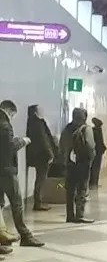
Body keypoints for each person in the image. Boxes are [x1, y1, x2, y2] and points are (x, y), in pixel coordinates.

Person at [0, 100, 43, 247]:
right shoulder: (4, 125)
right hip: (6, 171)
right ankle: (25, 236)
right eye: (13, 115)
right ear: (10, 111)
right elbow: (9, 147)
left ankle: (1, 239)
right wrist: (22, 141)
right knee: (17, 204)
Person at [59, 107, 94, 224]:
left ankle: (69, 215)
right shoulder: (86, 129)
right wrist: (91, 158)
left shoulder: (67, 129)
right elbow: (90, 146)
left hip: (69, 164)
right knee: (82, 189)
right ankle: (79, 214)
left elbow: (61, 146)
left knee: (70, 190)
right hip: (82, 163)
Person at [24, 104, 56, 211]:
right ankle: (38, 202)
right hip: (42, 156)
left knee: (40, 179)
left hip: (36, 155)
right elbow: (44, 140)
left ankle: (38, 201)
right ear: (35, 112)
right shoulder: (38, 123)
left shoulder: (31, 122)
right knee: (41, 179)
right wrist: (50, 154)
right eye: (40, 110)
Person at [89, 117, 107, 188]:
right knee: (96, 168)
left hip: (96, 151)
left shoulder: (94, 130)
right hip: (98, 152)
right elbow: (99, 142)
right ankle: (94, 183)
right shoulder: (98, 131)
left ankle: (93, 183)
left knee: (94, 167)